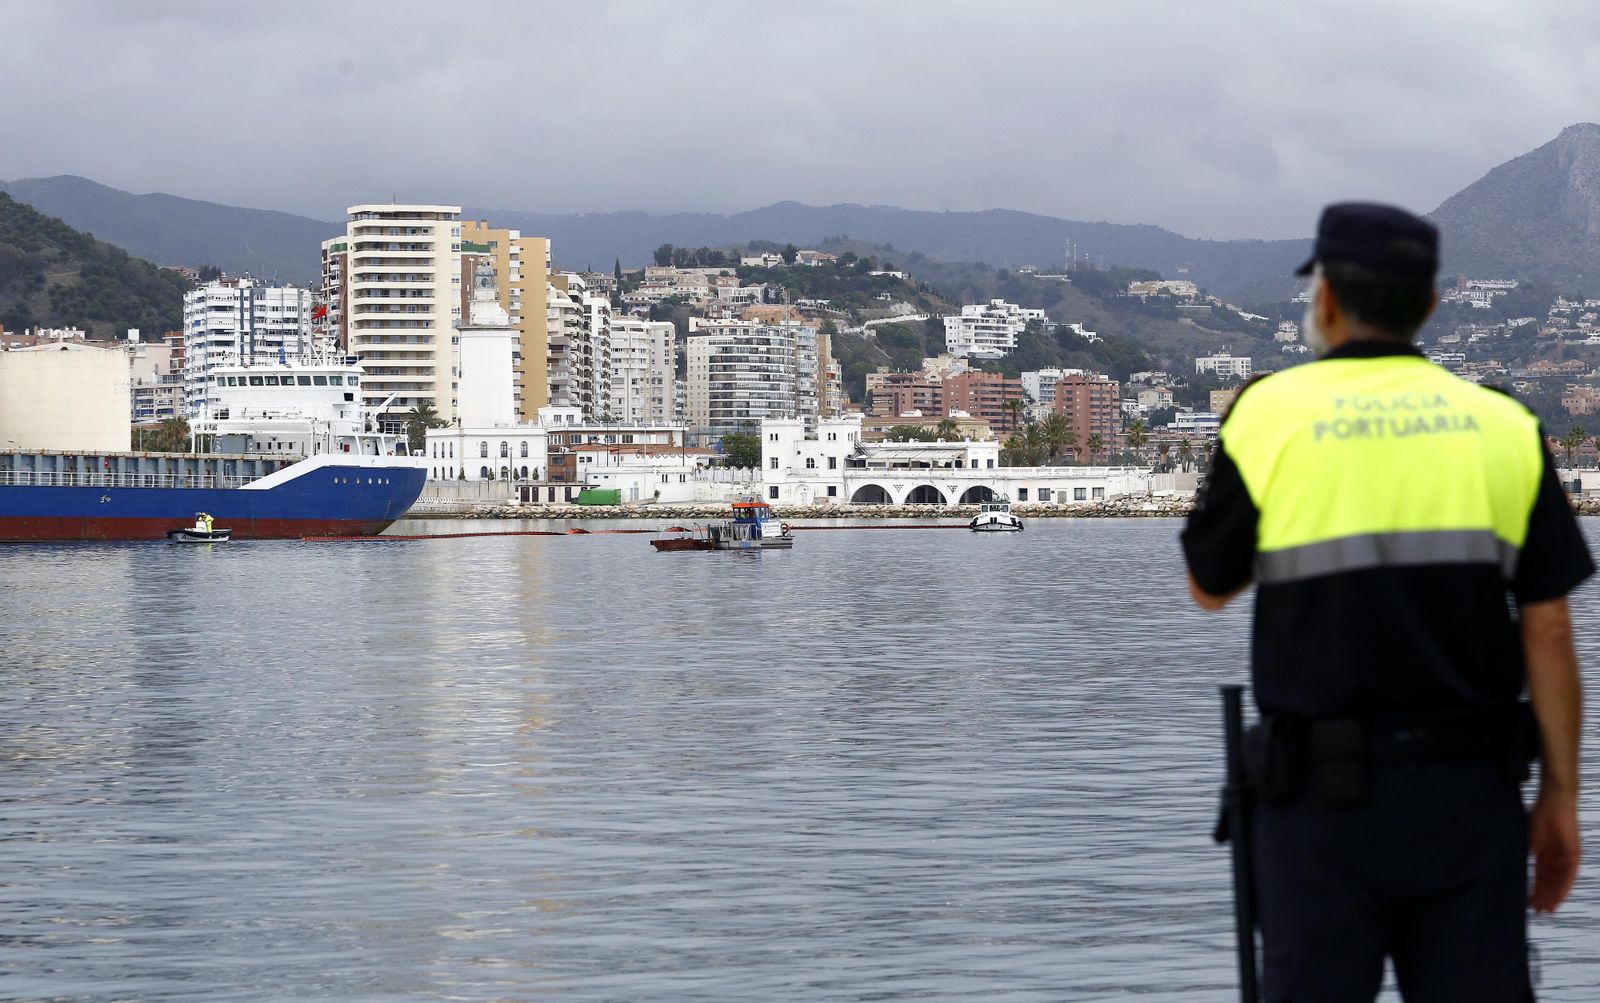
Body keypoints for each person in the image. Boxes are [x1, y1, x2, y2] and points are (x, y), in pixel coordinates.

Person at [1182, 202, 1592, 1001]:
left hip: (1318, 815)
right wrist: (1562, 797)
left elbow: (1208, 584)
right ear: (1431, 306)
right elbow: (1546, 630)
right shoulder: (1503, 425)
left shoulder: (1268, 416)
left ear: (1325, 299)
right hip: (1470, 804)